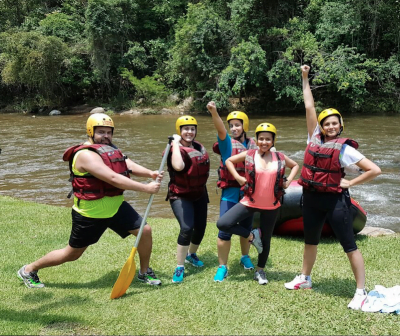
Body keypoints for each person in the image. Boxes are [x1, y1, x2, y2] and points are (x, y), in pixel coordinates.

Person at [17, 113, 163, 288]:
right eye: (101, 132)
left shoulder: (110, 149)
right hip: (91, 213)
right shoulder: (85, 155)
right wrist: (145, 188)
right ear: (90, 131)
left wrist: (150, 173)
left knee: (144, 231)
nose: (106, 136)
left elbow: (126, 164)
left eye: (109, 132)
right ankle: (28, 270)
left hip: (115, 206)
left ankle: (144, 272)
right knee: (72, 254)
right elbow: (113, 178)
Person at [284, 65, 381, 310]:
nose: (330, 126)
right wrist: (305, 78)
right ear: (321, 126)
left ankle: (361, 291)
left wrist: (350, 181)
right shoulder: (313, 139)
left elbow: (374, 169)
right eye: (326, 123)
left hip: (336, 202)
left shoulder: (346, 149)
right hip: (311, 199)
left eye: (334, 123)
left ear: (340, 126)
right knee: (310, 241)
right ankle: (305, 278)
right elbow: (309, 107)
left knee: (349, 245)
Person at [216, 123, 299, 284]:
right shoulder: (250, 154)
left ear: (273, 141)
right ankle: (251, 235)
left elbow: (295, 165)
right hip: (250, 202)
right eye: (261, 139)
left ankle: (260, 271)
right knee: (223, 223)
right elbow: (229, 161)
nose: (264, 142)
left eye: (268, 139)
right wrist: (239, 178)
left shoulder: (279, 157)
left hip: (272, 205)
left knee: (266, 240)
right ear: (256, 140)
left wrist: (288, 181)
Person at [206, 101, 259, 282]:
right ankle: (223, 266)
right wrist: (214, 112)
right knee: (224, 229)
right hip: (230, 193)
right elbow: (220, 129)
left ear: (245, 126)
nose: (234, 128)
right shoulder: (226, 143)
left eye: (237, 125)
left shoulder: (255, 144)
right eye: (231, 126)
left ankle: (245, 256)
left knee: (245, 227)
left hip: (249, 193)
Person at [166, 116, 210, 283]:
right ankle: (180, 266)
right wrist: (175, 144)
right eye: (185, 129)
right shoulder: (174, 149)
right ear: (179, 131)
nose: (189, 132)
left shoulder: (198, 146)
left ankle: (191, 254)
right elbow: (178, 166)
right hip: (180, 194)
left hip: (199, 192)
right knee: (186, 228)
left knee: (200, 227)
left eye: (192, 129)